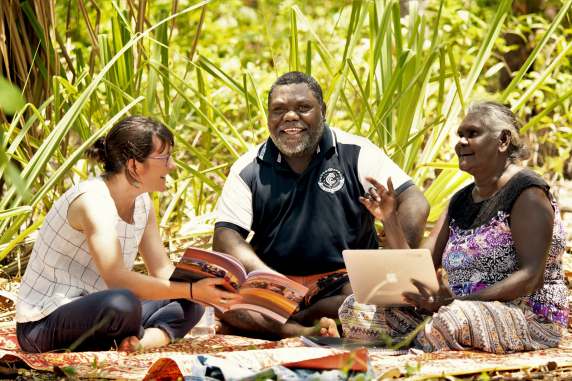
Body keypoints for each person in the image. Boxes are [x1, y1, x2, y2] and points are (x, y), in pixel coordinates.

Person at [331, 101, 569, 353]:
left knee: (449, 321)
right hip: (455, 308)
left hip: (526, 315)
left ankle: (418, 343)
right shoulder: (459, 201)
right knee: (355, 310)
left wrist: (457, 302)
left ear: (503, 140)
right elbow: (417, 267)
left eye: (472, 134)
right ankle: (422, 341)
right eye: (460, 135)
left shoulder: (527, 192)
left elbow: (532, 277)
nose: (461, 143)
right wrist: (389, 218)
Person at [213, 72, 430, 339]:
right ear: (268, 116)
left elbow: (414, 201)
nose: (290, 116)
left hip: (341, 282)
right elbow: (226, 236)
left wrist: (393, 265)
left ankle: (284, 325)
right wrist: (272, 280)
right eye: (278, 109)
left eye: (303, 107)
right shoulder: (247, 167)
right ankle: (304, 330)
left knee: (358, 300)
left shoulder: (356, 152)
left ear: (323, 111)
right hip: (274, 281)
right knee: (222, 300)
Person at [15, 116, 241, 353]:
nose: (172, 165)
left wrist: (208, 287)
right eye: (164, 158)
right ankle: (143, 333)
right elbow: (117, 279)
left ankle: (142, 342)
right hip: (43, 323)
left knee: (192, 303)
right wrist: (192, 289)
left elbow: (162, 270)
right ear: (134, 166)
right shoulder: (92, 201)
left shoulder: (143, 203)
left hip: (99, 313)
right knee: (123, 304)